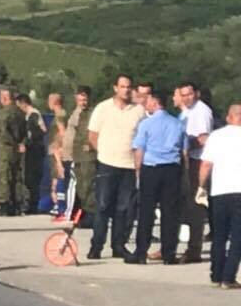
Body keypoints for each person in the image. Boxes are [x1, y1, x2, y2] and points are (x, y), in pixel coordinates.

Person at [127, 89, 186, 264]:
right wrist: (185, 174)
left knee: (146, 211)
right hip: (172, 169)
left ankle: (141, 252)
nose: (146, 105)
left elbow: (139, 149)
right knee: (170, 212)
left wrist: (138, 171)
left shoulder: (146, 124)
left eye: (148, 101)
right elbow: (184, 151)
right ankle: (169, 253)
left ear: (155, 103)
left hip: (151, 168)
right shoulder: (177, 124)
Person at [87, 74, 142, 259]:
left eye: (128, 87)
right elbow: (92, 135)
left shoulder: (138, 111)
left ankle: (118, 245)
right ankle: (96, 246)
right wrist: (103, 153)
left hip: (129, 166)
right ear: (115, 88)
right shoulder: (103, 108)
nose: (126, 90)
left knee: (123, 208)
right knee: (103, 206)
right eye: (122, 86)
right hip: (107, 164)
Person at [200, 103, 241, 288]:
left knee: (219, 235)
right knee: (237, 237)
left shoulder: (216, 136)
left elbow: (206, 165)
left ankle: (216, 275)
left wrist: (201, 186)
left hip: (219, 191)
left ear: (228, 117)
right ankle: (228, 277)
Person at [178, 81, 215, 264]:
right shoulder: (186, 111)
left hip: (198, 161)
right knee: (188, 205)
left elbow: (203, 139)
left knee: (196, 206)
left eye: (189, 94)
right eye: (183, 95)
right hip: (188, 160)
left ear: (196, 94)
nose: (186, 98)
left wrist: (183, 144)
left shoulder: (201, 111)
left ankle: (195, 248)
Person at [0, 88, 26, 216]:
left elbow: (3, 132)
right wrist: (19, 143)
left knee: (3, 177)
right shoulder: (20, 112)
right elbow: (23, 131)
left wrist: (12, 143)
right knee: (15, 176)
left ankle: (3, 203)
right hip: (14, 150)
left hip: (4, 149)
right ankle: (16, 203)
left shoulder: (4, 113)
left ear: (5, 98)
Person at [16, 93, 47, 214]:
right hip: (32, 149)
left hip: (34, 150)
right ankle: (30, 203)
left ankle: (31, 204)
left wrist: (27, 142)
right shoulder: (30, 115)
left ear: (23, 103)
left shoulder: (33, 114)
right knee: (29, 177)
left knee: (32, 177)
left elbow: (38, 132)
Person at [69, 86, 96, 222]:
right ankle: (84, 213)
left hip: (88, 155)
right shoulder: (77, 113)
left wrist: (91, 144)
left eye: (85, 99)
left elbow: (96, 131)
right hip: (77, 154)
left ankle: (91, 214)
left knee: (88, 185)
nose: (83, 102)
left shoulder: (93, 113)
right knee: (80, 186)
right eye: (80, 99)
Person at [48, 91, 70, 218]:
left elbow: (62, 132)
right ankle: (57, 204)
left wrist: (60, 148)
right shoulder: (60, 114)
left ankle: (60, 205)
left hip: (57, 149)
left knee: (58, 176)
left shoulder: (60, 115)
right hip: (54, 149)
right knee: (55, 176)